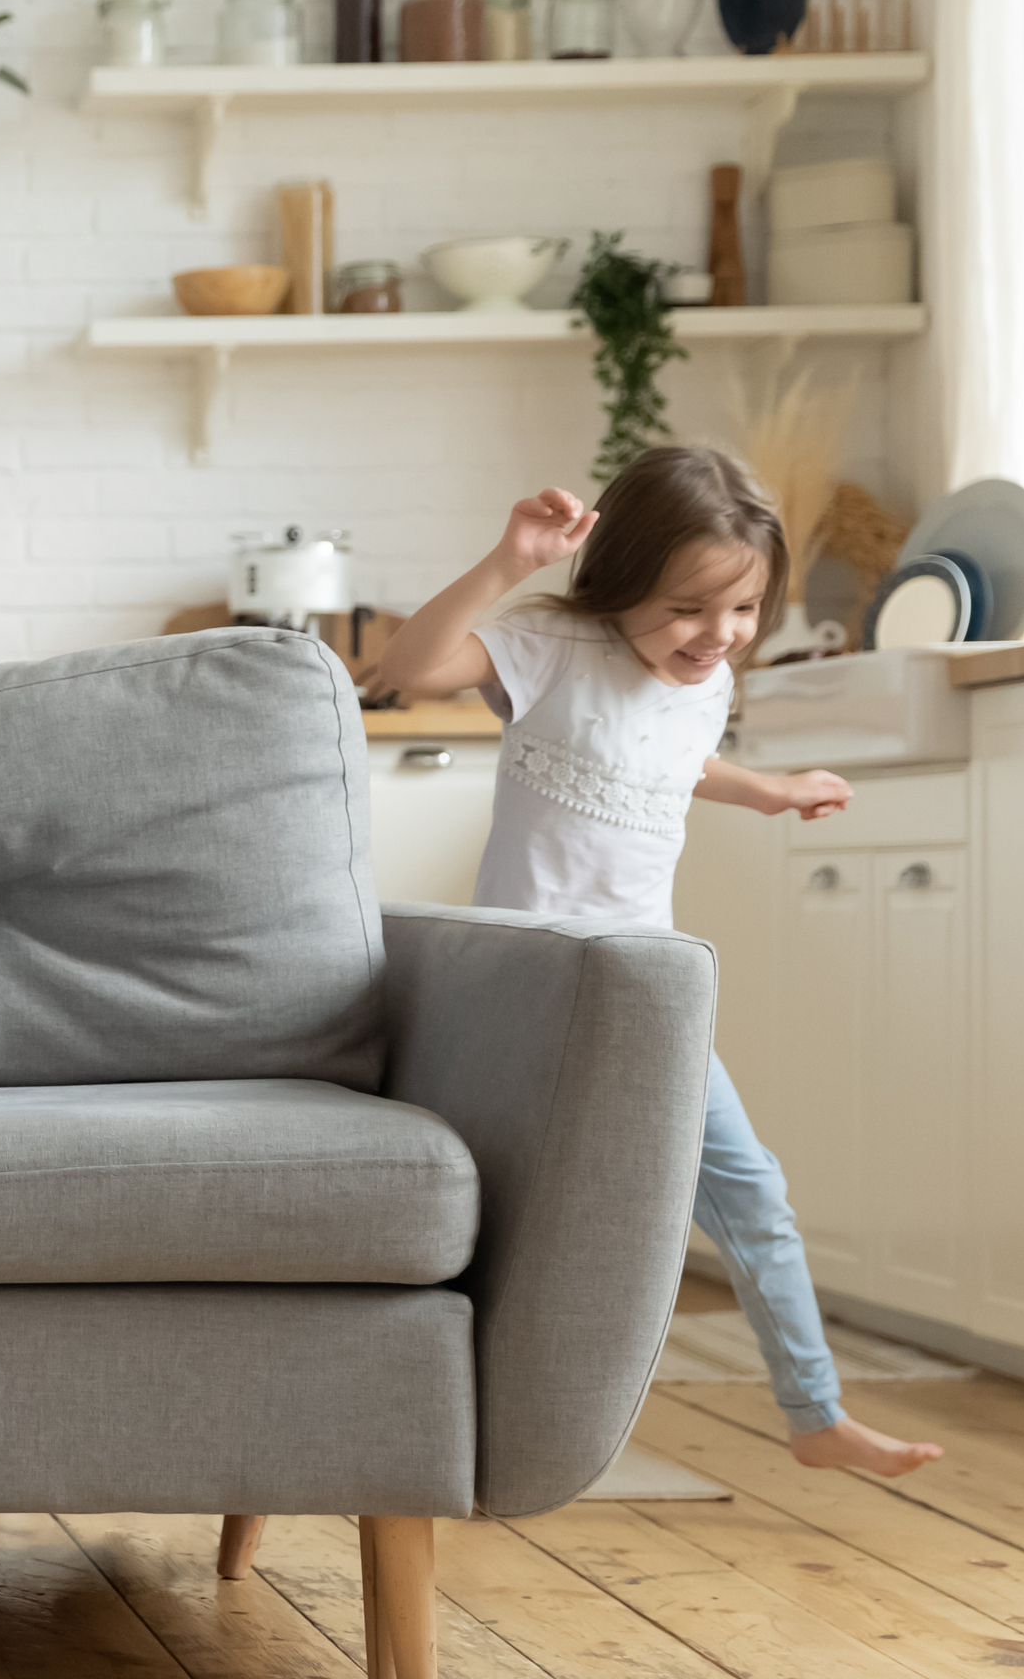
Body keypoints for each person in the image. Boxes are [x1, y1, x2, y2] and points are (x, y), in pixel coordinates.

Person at [379, 444, 945, 1478]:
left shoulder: (706, 681)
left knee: (754, 1194)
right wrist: (509, 560)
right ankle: (444, 1415)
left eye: (742, 610)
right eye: (689, 608)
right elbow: (410, 671)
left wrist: (766, 787)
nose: (716, 636)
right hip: (531, 990)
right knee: (507, 1215)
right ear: (625, 578)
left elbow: (668, 760)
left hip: (648, 993)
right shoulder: (550, 644)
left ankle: (814, 1411)